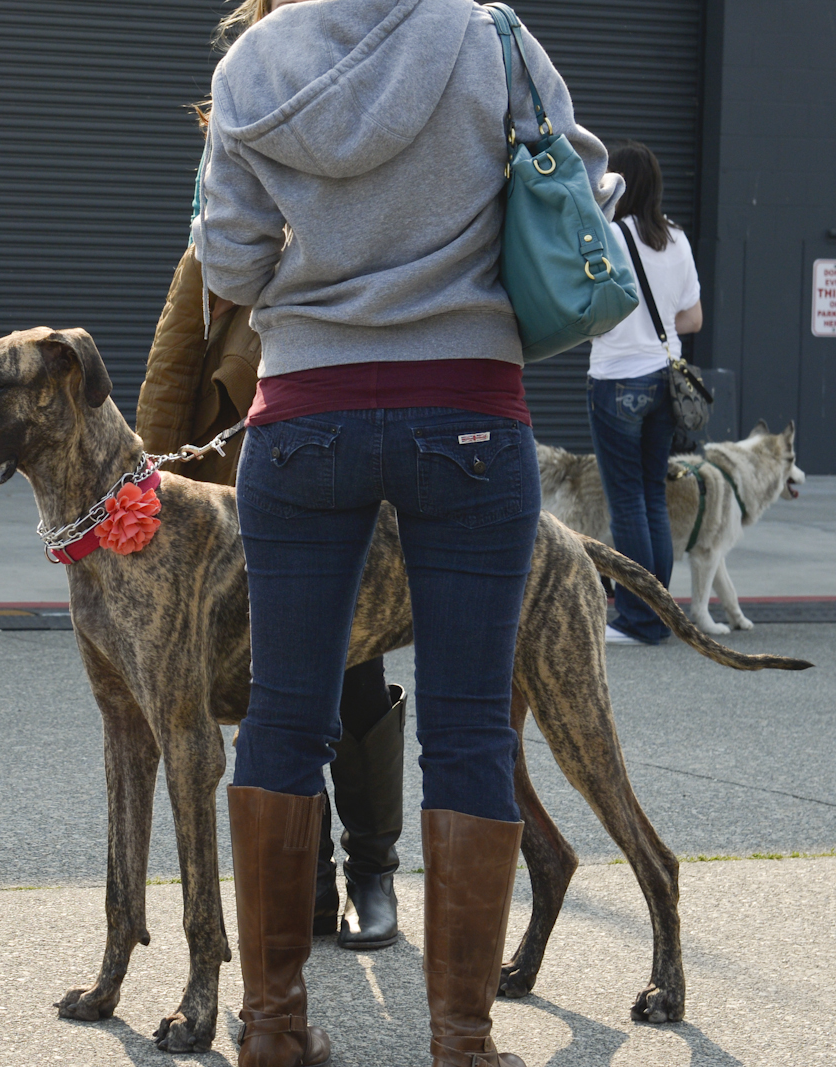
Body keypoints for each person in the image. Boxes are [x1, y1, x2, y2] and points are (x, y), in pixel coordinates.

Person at [192, 1, 622, 1065]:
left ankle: (275, 1026)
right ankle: (461, 1042)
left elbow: (229, 265)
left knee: (283, 723)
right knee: (470, 730)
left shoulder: (255, 59)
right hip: (470, 405)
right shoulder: (493, 40)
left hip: (302, 418)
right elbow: (582, 187)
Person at [137, 169, 407, 956]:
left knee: (356, 668)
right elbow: (171, 361)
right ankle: (308, 878)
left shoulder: (356, 199)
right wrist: (156, 491)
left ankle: (373, 873)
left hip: (350, 470)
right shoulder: (220, 215)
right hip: (237, 501)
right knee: (273, 687)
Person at [590, 141, 703, 646]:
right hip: (664, 378)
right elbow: (693, 318)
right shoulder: (676, 238)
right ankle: (659, 615)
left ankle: (636, 619)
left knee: (627, 502)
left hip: (617, 377)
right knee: (653, 495)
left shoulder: (609, 235)